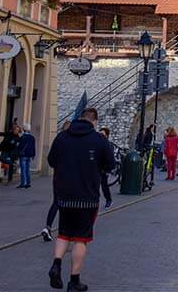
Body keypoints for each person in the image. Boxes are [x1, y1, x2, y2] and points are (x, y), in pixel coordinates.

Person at [46, 106, 114, 292]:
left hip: (65, 195)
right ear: (94, 121)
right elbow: (110, 164)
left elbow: (51, 160)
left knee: (63, 233)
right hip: (87, 197)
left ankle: (56, 264)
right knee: (80, 239)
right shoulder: (99, 140)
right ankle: (74, 280)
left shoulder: (62, 137)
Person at [97, 128, 113, 208]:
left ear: (106, 136)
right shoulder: (96, 143)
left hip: (104, 169)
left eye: (102, 134)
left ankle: (108, 200)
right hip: (97, 168)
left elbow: (110, 159)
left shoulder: (108, 145)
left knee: (104, 185)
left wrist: (107, 169)